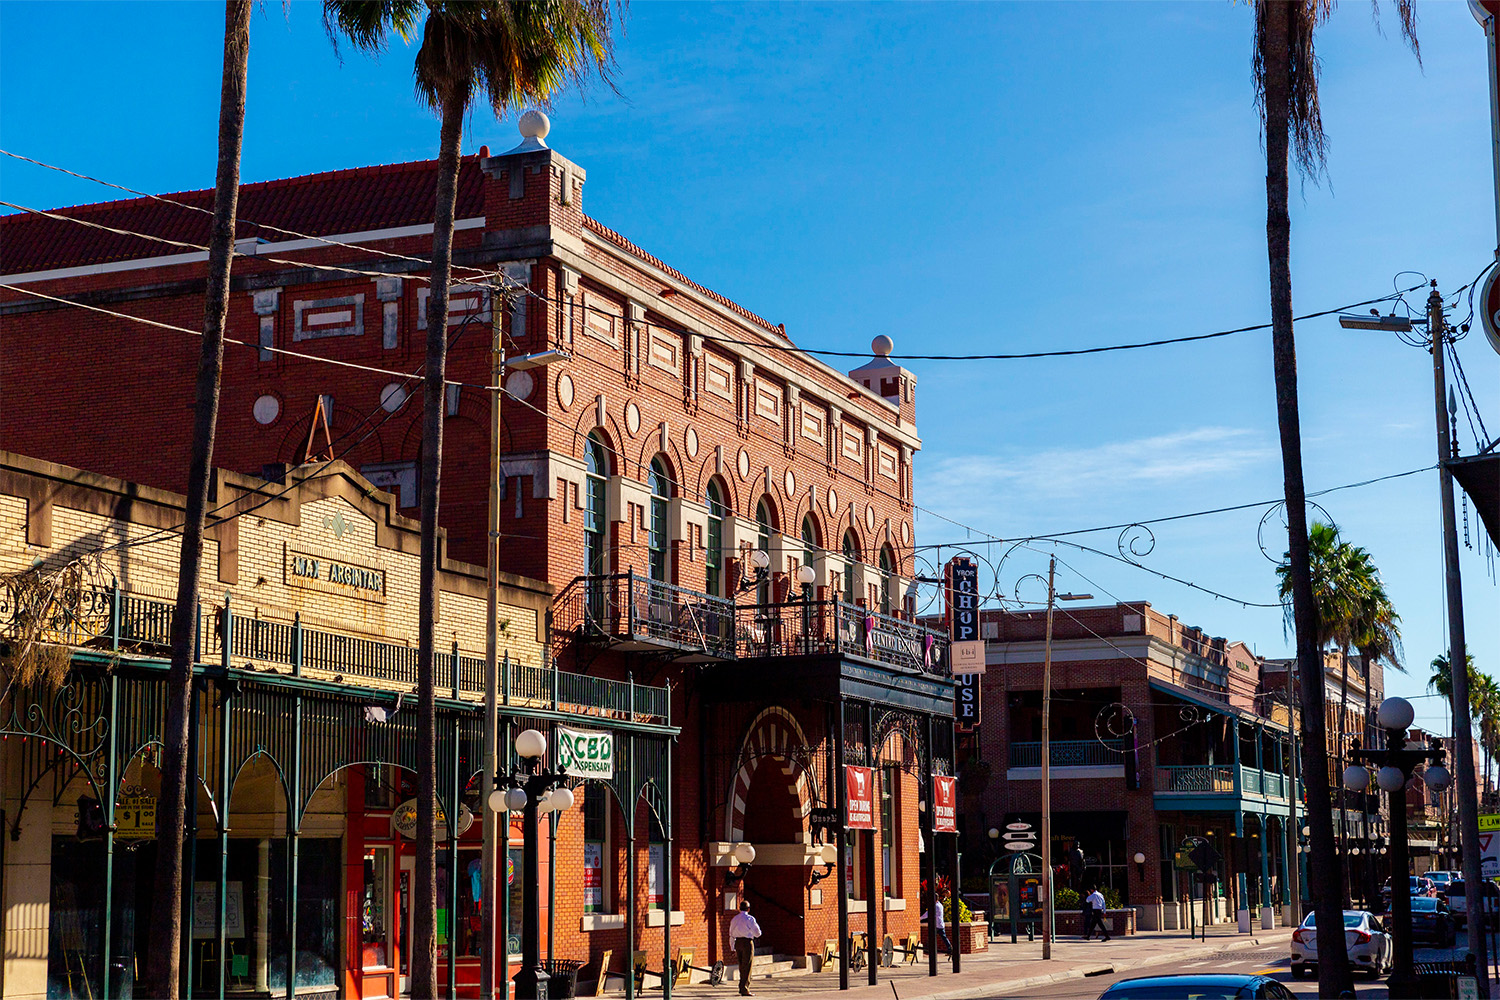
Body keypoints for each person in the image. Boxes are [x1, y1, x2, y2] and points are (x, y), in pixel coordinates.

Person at [728, 898, 762, 996]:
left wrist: (732, 947)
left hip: (737, 942)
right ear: (748, 909)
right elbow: (757, 933)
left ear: (739, 908)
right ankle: (745, 988)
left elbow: (731, 934)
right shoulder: (750, 919)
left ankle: (741, 986)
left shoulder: (734, 919)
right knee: (747, 965)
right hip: (747, 942)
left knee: (741, 965)